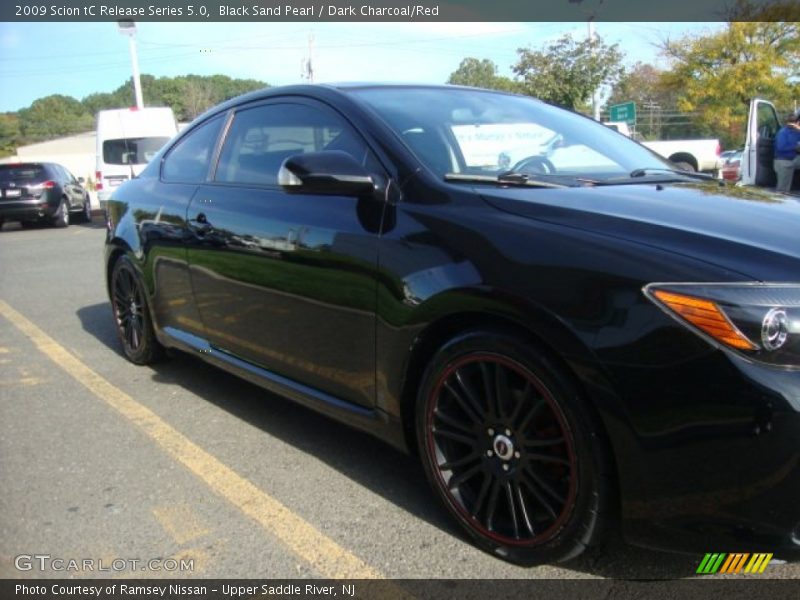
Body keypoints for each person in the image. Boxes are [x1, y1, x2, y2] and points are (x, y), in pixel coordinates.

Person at [773, 111, 800, 193]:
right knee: (782, 190)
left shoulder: (797, 133)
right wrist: (795, 147)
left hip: (794, 159)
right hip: (783, 160)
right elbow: (781, 147)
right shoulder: (783, 132)